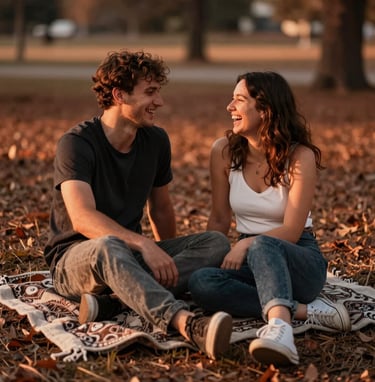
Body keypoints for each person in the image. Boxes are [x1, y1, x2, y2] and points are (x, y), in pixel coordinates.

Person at [43, 49, 233, 360]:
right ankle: (187, 323)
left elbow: (160, 208)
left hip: (129, 257)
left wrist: (165, 254)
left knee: (215, 243)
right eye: (150, 92)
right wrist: (145, 245)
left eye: (158, 91)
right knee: (108, 245)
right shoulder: (76, 143)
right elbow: (82, 217)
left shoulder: (156, 141)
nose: (159, 102)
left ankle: (113, 302)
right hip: (74, 261)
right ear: (119, 95)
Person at [188, 71, 351, 366]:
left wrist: (247, 245)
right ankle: (303, 312)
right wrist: (209, 257)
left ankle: (281, 331)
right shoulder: (223, 152)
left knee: (261, 244)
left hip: (299, 257)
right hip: (251, 261)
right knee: (201, 282)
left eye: (239, 100)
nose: (229, 107)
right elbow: (219, 219)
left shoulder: (299, 156)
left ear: (265, 110)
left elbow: (291, 230)